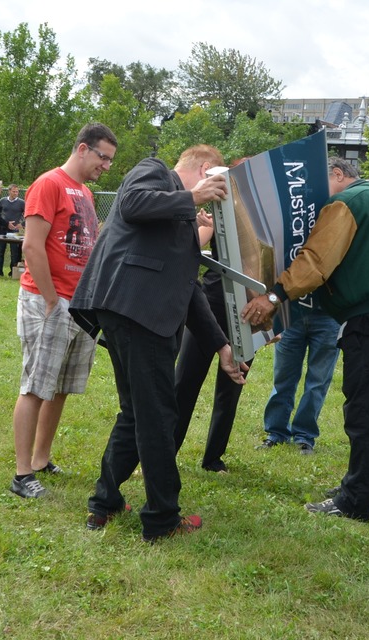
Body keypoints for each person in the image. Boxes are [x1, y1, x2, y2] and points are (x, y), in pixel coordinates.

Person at [70, 145, 247, 542]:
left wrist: (221, 346)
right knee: (158, 416)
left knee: (136, 412)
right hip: (137, 311)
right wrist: (193, 197)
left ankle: (104, 503)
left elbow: (191, 291)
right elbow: (132, 203)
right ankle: (162, 519)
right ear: (206, 169)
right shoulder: (154, 170)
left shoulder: (181, 216)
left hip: (136, 313)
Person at [241, 157, 369, 522]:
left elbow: (317, 260)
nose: (314, 199)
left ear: (338, 175)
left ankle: (355, 502)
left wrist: (275, 296)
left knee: (366, 410)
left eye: (320, 185)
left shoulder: (348, 202)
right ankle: (368, 485)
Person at [8, 122, 118, 500]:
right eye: (103, 157)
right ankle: (22, 475)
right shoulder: (49, 184)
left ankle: (41, 459)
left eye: (110, 161)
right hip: (47, 301)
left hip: (79, 305)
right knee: (36, 387)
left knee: (60, 389)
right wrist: (53, 301)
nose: (106, 166)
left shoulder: (85, 192)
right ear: (83, 149)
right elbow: (32, 247)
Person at [173, 210, 254, 474]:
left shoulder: (273, 218)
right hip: (210, 308)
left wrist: (273, 319)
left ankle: (213, 458)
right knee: (184, 383)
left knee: (231, 387)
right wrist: (200, 223)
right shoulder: (223, 207)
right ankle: (165, 453)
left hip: (249, 311)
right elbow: (197, 242)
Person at [255, 299, 340, 455]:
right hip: (290, 312)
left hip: (330, 315)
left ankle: (304, 437)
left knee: (318, 382)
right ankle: (277, 433)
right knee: (283, 377)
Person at [0, 183, 26, 277]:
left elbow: (28, 215)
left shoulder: (22, 203)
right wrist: (3, 223)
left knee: (14, 252)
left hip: (14, 230)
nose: (16, 193)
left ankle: (12, 272)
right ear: (9, 191)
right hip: (3, 229)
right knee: (1, 250)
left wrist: (21, 224)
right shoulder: (2, 201)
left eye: (17, 191)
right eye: (14, 191)